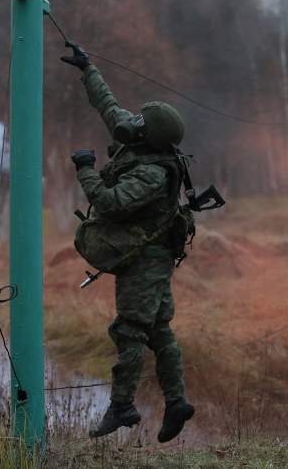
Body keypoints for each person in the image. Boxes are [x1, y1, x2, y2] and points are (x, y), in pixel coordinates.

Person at [62, 42, 195, 443]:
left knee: (131, 329)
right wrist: (88, 69)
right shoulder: (141, 140)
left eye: (141, 119)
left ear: (150, 134)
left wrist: (85, 170)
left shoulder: (153, 173)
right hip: (147, 256)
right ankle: (177, 403)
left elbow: (110, 202)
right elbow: (108, 106)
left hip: (145, 259)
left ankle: (121, 407)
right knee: (159, 329)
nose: (132, 120)